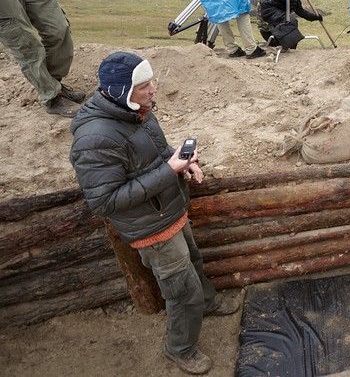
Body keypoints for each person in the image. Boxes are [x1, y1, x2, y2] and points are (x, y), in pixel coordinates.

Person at [69, 51, 239, 375]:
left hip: (170, 211)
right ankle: (181, 349)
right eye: (144, 85)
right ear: (121, 91)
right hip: (152, 229)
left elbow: (160, 154)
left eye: (150, 83)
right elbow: (103, 202)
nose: (154, 90)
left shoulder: (138, 112)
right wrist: (168, 171)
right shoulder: (94, 139)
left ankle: (209, 303)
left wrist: (185, 166)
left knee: (195, 262)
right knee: (181, 290)